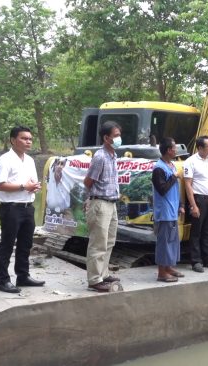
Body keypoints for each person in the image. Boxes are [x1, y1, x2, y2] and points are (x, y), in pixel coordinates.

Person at [0, 126, 44, 293]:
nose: (28, 142)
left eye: (30, 139)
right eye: (24, 138)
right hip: (11, 208)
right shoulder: (4, 160)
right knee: (7, 244)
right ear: (13, 140)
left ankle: (22, 276)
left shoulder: (29, 160)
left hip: (28, 207)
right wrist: (23, 186)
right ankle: (3, 280)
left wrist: (34, 187)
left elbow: (32, 182)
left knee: (25, 244)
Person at [83, 121, 122, 292]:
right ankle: (94, 280)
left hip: (111, 203)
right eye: (116, 136)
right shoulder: (100, 157)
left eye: (119, 135)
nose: (119, 138)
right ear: (106, 138)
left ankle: (103, 273)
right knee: (98, 243)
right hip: (100, 203)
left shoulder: (113, 156)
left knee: (109, 241)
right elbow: (88, 181)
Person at [184, 135, 208, 272]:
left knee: (207, 231)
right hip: (199, 199)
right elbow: (188, 185)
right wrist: (193, 205)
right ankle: (196, 261)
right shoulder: (191, 162)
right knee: (196, 232)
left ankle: (207, 259)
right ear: (200, 148)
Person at [152, 137, 185, 282]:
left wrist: (181, 205)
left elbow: (176, 190)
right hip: (164, 211)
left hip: (172, 209)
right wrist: (173, 177)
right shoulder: (158, 168)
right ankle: (161, 272)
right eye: (174, 148)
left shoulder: (171, 165)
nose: (176, 150)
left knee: (172, 241)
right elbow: (162, 189)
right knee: (164, 242)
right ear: (168, 150)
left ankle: (168, 267)